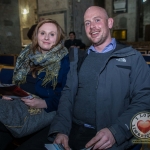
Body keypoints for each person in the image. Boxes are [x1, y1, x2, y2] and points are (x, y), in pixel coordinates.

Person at [48, 6, 150, 150]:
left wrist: (116, 132)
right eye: (87, 23)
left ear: (109, 23)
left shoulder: (132, 57)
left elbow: (145, 100)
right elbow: (67, 96)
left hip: (111, 137)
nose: (92, 27)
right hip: (74, 132)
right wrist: (61, 129)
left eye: (97, 20)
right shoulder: (79, 58)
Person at [0, 18, 69, 150]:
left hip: (43, 109)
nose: (46, 37)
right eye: (42, 33)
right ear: (36, 35)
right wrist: (8, 93)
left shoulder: (64, 60)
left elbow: (67, 95)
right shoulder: (27, 54)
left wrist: (44, 103)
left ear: (58, 37)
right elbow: (15, 80)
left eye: (52, 34)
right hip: (18, 101)